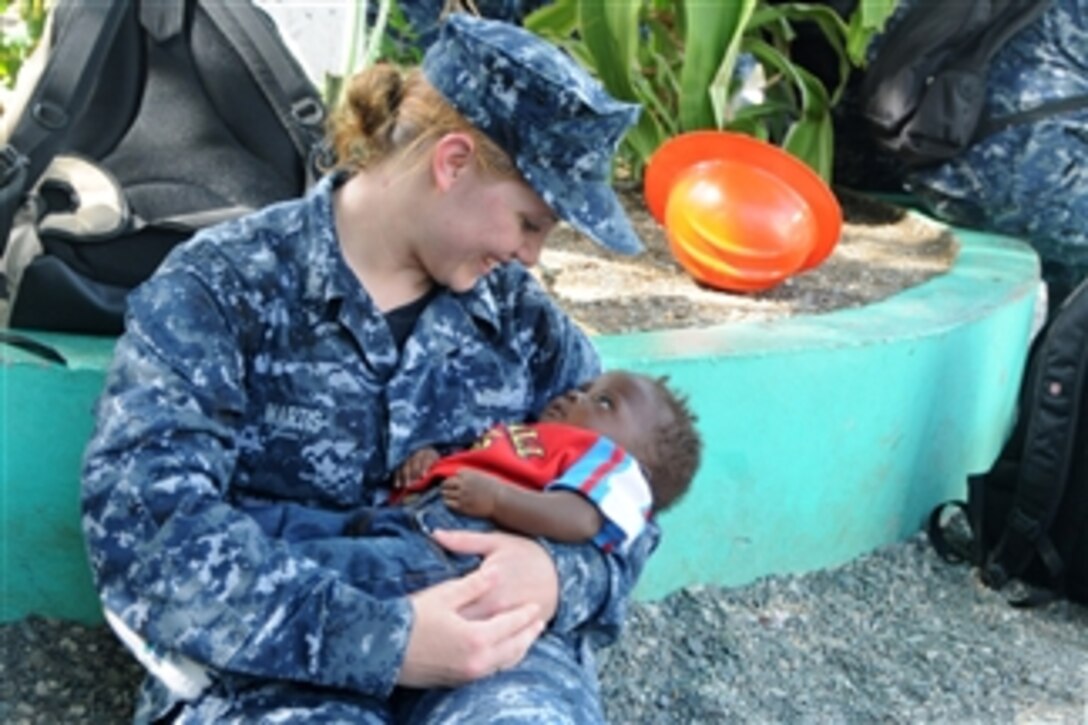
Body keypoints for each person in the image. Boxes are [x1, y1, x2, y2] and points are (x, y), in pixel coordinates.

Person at [81, 12, 658, 723]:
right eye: (530, 222)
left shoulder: (523, 322)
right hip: (270, 670)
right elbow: (147, 534)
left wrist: (557, 576)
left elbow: (626, 504)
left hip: (492, 662)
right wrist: (388, 640)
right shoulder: (223, 288)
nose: (531, 256)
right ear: (452, 163)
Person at [251, 370, 702, 600]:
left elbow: (582, 518)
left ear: (636, 465)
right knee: (291, 525)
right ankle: (220, 549)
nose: (575, 395)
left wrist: (499, 501)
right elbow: (479, 460)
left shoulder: (608, 463)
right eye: (586, 386)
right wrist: (432, 463)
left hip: (448, 556)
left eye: (603, 401)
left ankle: (230, 620)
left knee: (330, 568)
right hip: (400, 519)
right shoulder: (538, 439)